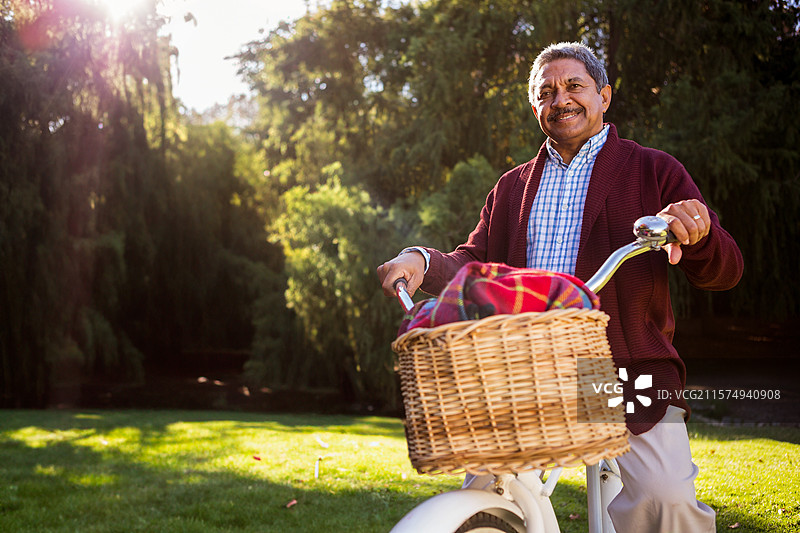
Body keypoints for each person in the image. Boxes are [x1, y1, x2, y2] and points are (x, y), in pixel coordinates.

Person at [377, 42, 743, 533]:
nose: (561, 99)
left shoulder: (653, 170)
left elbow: (725, 270)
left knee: (664, 500)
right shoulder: (512, 186)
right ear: (536, 108)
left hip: (619, 370)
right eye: (546, 92)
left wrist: (697, 232)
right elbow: (474, 263)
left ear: (604, 96)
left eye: (575, 86)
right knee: (484, 497)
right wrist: (419, 259)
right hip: (522, 365)